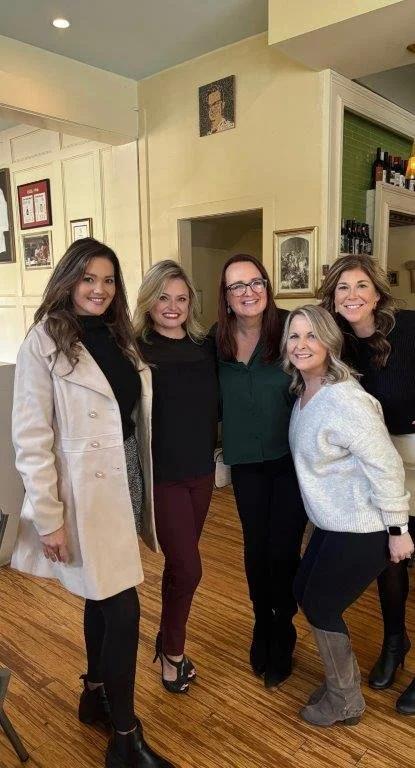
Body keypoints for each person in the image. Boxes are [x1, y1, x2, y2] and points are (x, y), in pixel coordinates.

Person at [11, 238, 174, 768]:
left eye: (108, 280)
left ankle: (94, 693)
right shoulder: (44, 341)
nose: (99, 289)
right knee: (122, 606)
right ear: (68, 281)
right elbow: (31, 438)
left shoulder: (120, 335)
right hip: (82, 492)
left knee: (101, 596)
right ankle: (125, 737)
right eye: (88, 279)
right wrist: (49, 518)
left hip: (122, 478)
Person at [281, 304, 412, 727]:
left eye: (311, 336)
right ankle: (343, 681)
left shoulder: (345, 399)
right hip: (335, 521)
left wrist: (398, 530)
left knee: (320, 602)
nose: (302, 345)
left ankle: (345, 700)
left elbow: (387, 466)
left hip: (367, 523)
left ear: (330, 343)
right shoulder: (305, 391)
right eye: (294, 336)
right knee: (304, 588)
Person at [319, 253, 415, 714]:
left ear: (377, 293)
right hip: (376, 461)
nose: (351, 295)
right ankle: (396, 643)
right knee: (389, 557)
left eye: (360, 286)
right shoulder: (340, 348)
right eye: (342, 288)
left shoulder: (410, 329)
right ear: (332, 298)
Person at [215, 253, 307, 687]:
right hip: (246, 463)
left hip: (292, 459)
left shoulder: (292, 329)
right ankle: (260, 620)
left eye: (256, 282)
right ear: (227, 297)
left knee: (284, 548)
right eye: (237, 286)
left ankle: (283, 627)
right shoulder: (214, 341)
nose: (248, 292)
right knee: (256, 546)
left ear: (268, 288)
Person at [134, 260, 218, 694]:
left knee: (178, 565)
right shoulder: (135, 351)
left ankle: (166, 636)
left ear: (191, 304)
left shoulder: (205, 347)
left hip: (201, 474)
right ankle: (173, 655)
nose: (172, 306)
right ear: (149, 302)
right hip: (163, 478)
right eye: (163, 297)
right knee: (189, 568)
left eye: (181, 298)